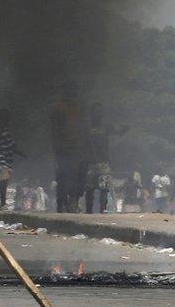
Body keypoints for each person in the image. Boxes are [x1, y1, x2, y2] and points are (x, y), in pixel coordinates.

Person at [83, 103, 127, 214]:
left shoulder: (105, 127)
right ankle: (89, 211)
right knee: (89, 189)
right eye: (95, 112)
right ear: (92, 114)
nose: (97, 115)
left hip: (103, 163)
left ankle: (102, 211)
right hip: (91, 163)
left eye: (99, 112)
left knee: (104, 189)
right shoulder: (87, 129)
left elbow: (119, 131)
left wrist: (124, 128)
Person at [50, 82, 84, 212]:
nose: (72, 93)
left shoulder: (79, 107)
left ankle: (73, 202)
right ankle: (61, 203)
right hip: (62, 148)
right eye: (70, 90)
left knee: (75, 176)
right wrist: (56, 146)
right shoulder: (58, 107)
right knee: (62, 176)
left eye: (74, 90)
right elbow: (54, 129)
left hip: (76, 147)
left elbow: (82, 127)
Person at [0, 109, 25, 210]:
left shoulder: (4, 131)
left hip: (6, 159)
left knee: (4, 181)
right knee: (4, 180)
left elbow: (11, 146)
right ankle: (3, 203)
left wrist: (21, 153)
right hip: (0, 158)